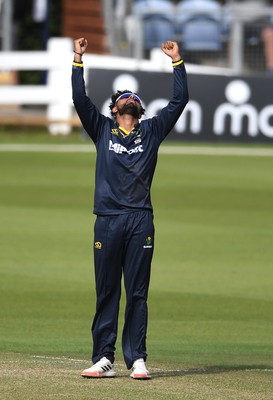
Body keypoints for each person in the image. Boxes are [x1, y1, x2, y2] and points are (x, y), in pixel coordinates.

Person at [72, 37, 188, 380]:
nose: (129, 101)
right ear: (114, 110)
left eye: (133, 99)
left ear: (139, 109)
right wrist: (78, 59)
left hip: (140, 220)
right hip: (107, 220)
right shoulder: (102, 128)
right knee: (106, 289)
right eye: (123, 99)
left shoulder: (151, 131)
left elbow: (179, 100)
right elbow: (80, 99)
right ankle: (103, 358)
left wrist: (177, 61)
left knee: (137, 291)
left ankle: (137, 358)